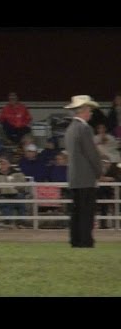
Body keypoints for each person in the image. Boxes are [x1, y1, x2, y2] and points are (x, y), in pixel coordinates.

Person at [64, 95, 103, 248]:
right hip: (86, 177)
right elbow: (91, 153)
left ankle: (76, 240)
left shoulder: (70, 129)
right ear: (84, 111)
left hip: (74, 177)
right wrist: (99, 171)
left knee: (76, 211)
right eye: (90, 110)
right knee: (86, 212)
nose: (91, 113)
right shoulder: (85, 128)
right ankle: (85, 240)